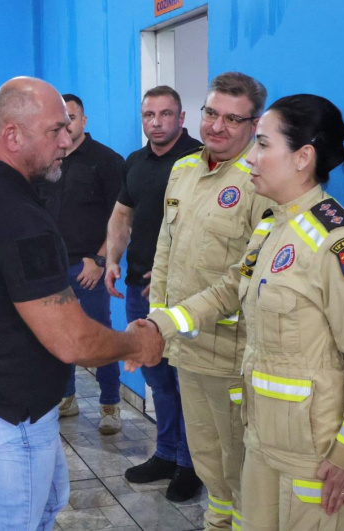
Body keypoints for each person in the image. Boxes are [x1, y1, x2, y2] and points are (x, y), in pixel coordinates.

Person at [149, 94, 344, 530]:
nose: (251, 158)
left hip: (315, 456)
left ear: (303, 158)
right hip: (262, 438)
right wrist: (158, 325)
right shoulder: (272, 227)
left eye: (262, 144)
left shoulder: (337, 242)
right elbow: (228, 290)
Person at [0, 76, 164, 530]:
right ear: (12, 134)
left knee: (48, 507)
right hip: (7, 412)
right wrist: (137, 344)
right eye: (55, 130)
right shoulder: (14, 214)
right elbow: (73, 340)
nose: (66, 140)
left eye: (68, 128)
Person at [145, 72, 272, 529]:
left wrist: (169, 322)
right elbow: (165, 252)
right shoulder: (183, 170)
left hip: (231, 355)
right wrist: (156, 321)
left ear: (254, 125)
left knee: (238, 465)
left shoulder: (261, 181)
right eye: (211, 113)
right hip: (184, 347)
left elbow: (247, 276)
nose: (217, 126)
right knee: (206, 462)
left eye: (232, 119)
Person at [104, 85, 203, 500]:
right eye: (149, 115)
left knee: (185, 381)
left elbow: (204, 233)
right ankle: (165, 453)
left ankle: (190, 464)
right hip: (138, 289)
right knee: (156, 376)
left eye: (165, 114)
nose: (156, 122)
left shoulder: (200, 160)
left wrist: (169, 275)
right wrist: (113, 259)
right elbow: (122, 215)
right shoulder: (135, 162)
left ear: (181, 118)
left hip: (182, 294)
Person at [35, 94, 126, 434]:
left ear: (84, 120)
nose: (66, 125)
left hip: (88, 271)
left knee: (99, 338)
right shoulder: (47, 159)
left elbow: (122, 219)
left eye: (71, 118)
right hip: (53, 270)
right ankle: (66, 398)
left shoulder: (107, 161)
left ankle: (110, 405)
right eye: (60, 119)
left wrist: (101, 260)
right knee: (59, 337)